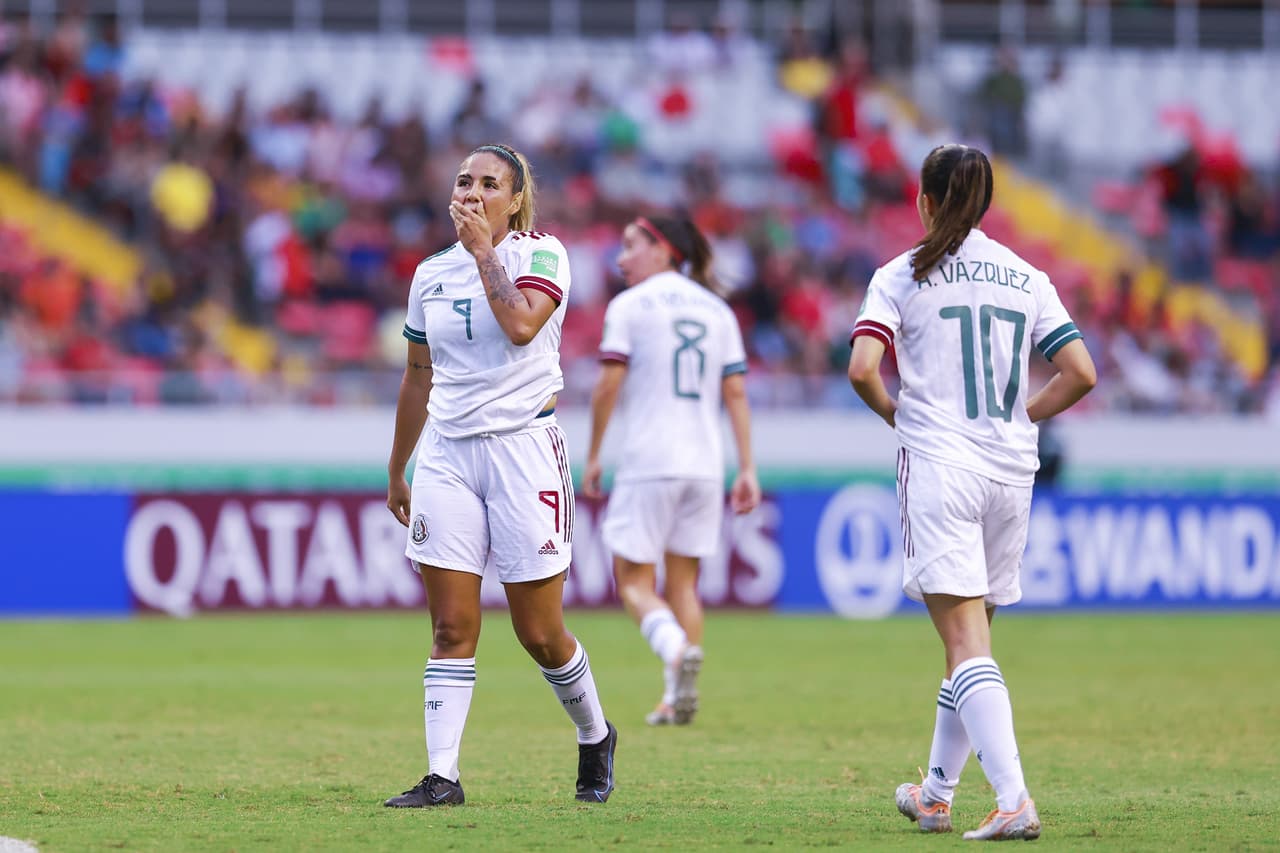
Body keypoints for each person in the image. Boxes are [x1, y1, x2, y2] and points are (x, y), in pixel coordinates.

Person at [848, 144, 1096, 840]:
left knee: (964, 642)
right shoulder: (1027, 274)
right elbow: (1080, 370)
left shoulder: (902, 273)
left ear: (923, 200)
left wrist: (898, 412)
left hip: (943, 467)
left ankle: (1014, 797)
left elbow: (863, 366)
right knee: (973, 640)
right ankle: (936, 791)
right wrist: (1025, 415)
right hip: (1012, 472)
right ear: (986, 204)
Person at [383, 143, 617, 808]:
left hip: (524, 449)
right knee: (451, 625)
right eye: (464, 181)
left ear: (515, 200)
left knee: (539, 631)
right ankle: (443, 775)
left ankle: (595, 733)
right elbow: (417, 374)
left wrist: (485, 250)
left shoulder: (543, 255)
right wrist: (399, 465)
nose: (475, 192)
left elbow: (519, 326)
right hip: (449, 455)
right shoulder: (429, 274)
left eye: (491, 183)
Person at [583, 215, 761, 726]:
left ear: (663, 249)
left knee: (633, 579)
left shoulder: (630, 306)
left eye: (631, 245)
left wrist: (594, 453)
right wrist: (746, 466)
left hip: (650, 461)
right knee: (684, 582)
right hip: (706, 465)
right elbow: (736, 393)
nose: (621, 259)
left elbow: (606, 384)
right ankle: (675, 697)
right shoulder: (717, 310)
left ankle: (675, 650)